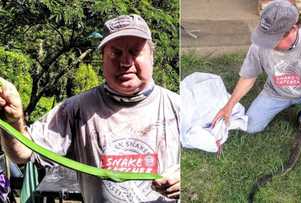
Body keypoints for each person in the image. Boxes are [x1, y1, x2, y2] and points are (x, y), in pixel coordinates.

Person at [0, 14, 180, 202]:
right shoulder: (76, 109)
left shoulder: (177, 107)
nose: (126, 62)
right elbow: (22, 153)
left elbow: (206, 162)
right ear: (102, 58)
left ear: (152, 56)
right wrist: (12, 121)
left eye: (135, 52)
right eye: (115, 53)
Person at [212, 0, 301, 143]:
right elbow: (248, 76)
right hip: (276, 92)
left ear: (293, 29)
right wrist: (229, 106)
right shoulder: (261, 42)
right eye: (266, 36)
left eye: (273, 39)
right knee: (251, 126)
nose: (267, 43)